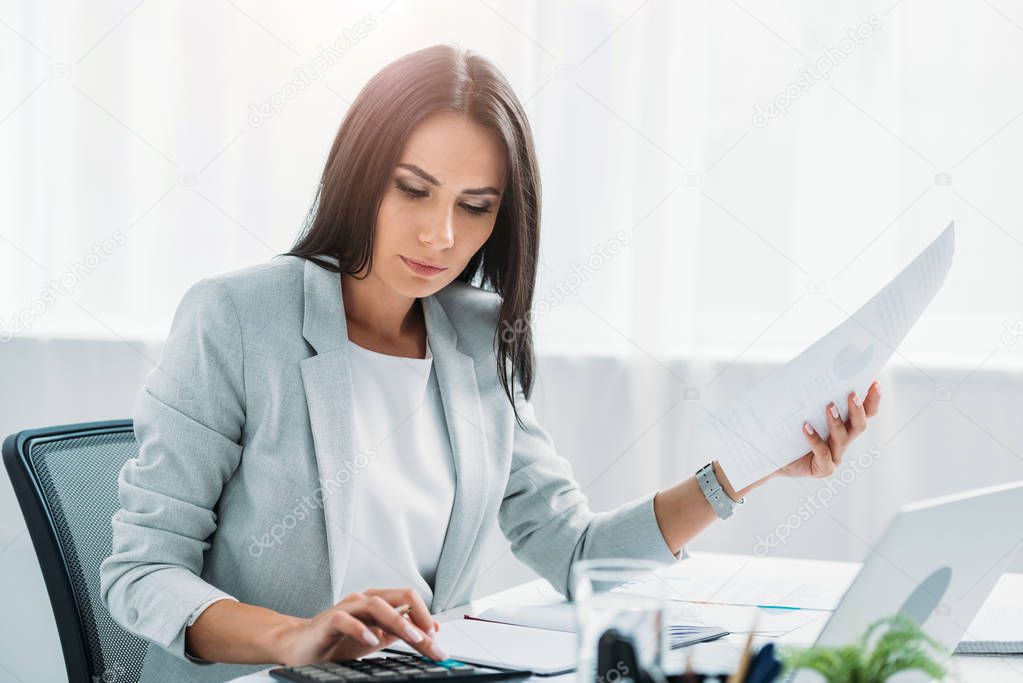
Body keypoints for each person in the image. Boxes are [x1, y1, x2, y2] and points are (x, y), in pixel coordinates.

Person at [100, 44, 881, 683]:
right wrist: (295, 636)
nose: (440, 235)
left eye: (474, 206)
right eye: (413, 189)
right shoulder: (236, 320)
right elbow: (140, 573)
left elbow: (577, 554)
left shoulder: (475, 336)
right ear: (358, 174)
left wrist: (739, 471)